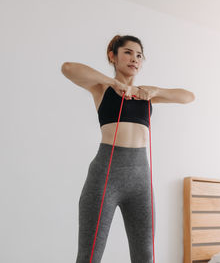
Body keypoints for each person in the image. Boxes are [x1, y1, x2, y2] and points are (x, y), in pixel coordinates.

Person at [61, 34, 195, 263]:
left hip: (140, 178)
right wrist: (113, 82)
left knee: (145, 255)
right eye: (128, 52)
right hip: (105, 175)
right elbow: (68, 68)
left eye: (139, 55)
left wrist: (156, 91)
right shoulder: (102, 88)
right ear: (113, 56)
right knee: (89, 255)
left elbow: (188, 97)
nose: (135, 59)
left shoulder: (147, 95)